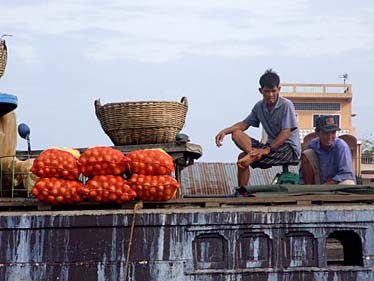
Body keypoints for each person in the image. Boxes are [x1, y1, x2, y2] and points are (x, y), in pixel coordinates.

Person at [215, 69, 301, 187]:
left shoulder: (286, 105)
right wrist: (225, 131)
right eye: (267, 91)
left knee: (242, 161)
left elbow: (286, 133)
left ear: (279, 89)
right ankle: (243, 187)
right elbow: (245, 124)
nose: (270, 95)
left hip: (287, 148)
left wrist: (267, 150)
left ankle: (253, 155)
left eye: (273, 91)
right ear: (261, 91)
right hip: (268, 147)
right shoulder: (259, 106)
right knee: (236, 133)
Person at [301, 115, 356, 185]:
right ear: (317, 133)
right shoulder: (313, 144)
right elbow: (304, 171)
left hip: (338, 183)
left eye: (333, 133)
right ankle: (309, 189)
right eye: (326, 133)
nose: (330, 137)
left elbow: (346, 174)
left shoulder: (341, 146)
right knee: (307, 153)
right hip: (319, 183)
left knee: (348, 183)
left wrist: (326, 186)